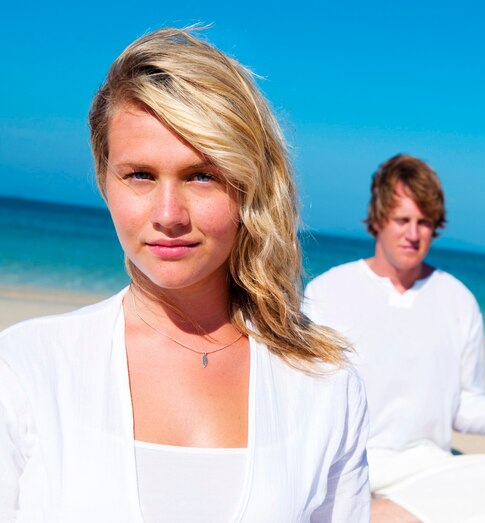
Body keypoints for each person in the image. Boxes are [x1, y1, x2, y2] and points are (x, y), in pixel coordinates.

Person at [0, 29, 369, 522]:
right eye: (140, 175)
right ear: (103, 180)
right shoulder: (26, 369)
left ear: (248, 187)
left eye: (202, 175)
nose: (169, 214)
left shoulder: (324, 386)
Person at [304, 154, 485, 523]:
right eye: (403, 220)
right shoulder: (328, 291)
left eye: (425, 223)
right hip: (349, 462)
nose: (413, 234)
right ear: (378, 220)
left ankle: (371, 516)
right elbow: (305, 398)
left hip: (425, 469)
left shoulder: (457, 298)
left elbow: (463, 404)